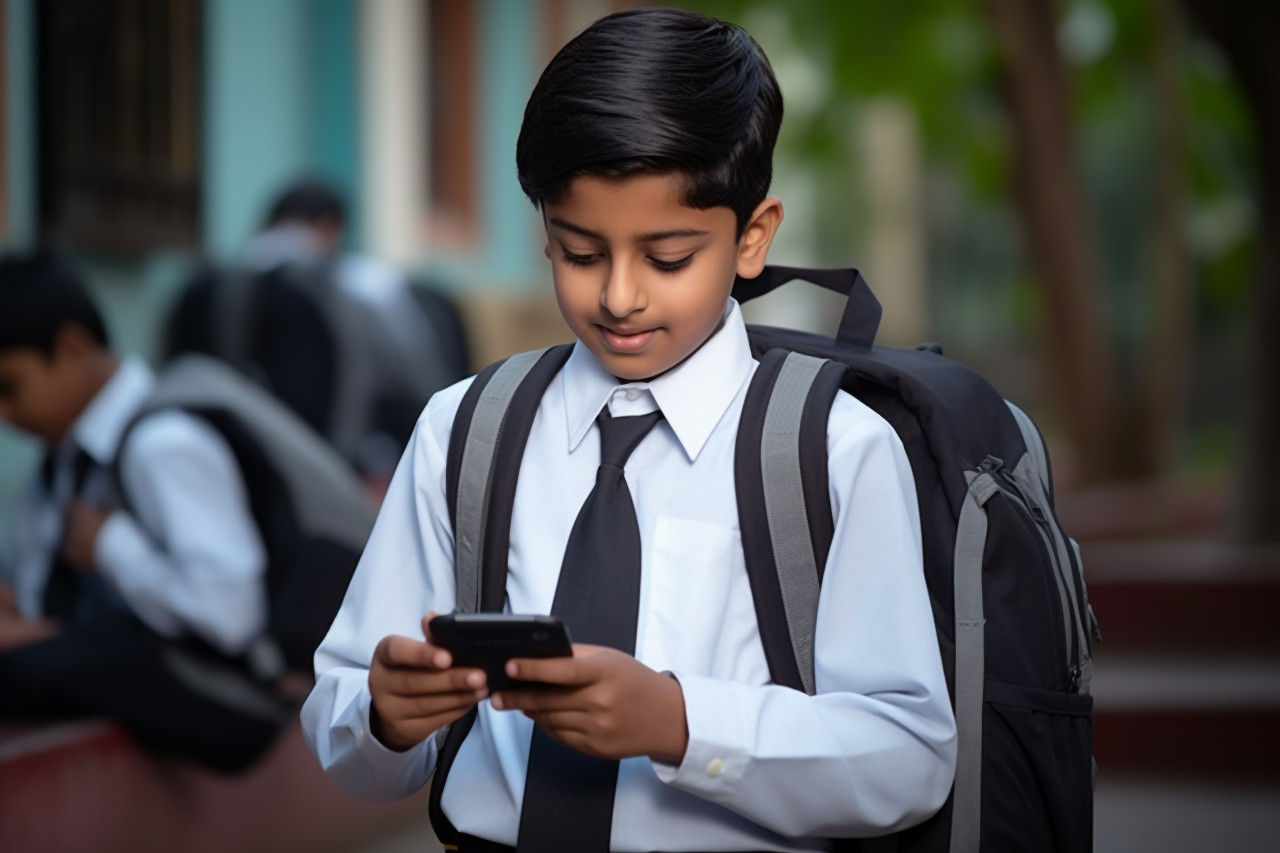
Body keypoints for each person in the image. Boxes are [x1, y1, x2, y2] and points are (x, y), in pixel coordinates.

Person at [301, 7, 956, 852]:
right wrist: (384, 714)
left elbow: (910, 756)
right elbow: (346, 721)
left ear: (752, 237)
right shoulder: (463, 431)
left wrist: (681, 722)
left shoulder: (833, 449)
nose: (618, 296)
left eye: (668, 258)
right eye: (580, 252)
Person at [0, 251, 289, 773]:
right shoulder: (61, 460)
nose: (4, 414)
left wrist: (112, 546)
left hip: (228, 699)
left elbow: (230, 614)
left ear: (70, 349)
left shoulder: (162, 441)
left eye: (9, 388)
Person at [165, 179, 471, 487]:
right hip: (321, 466)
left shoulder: (202, 284)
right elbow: (409, 378)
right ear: (329, 226)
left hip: (213, 462)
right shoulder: (359, 285)